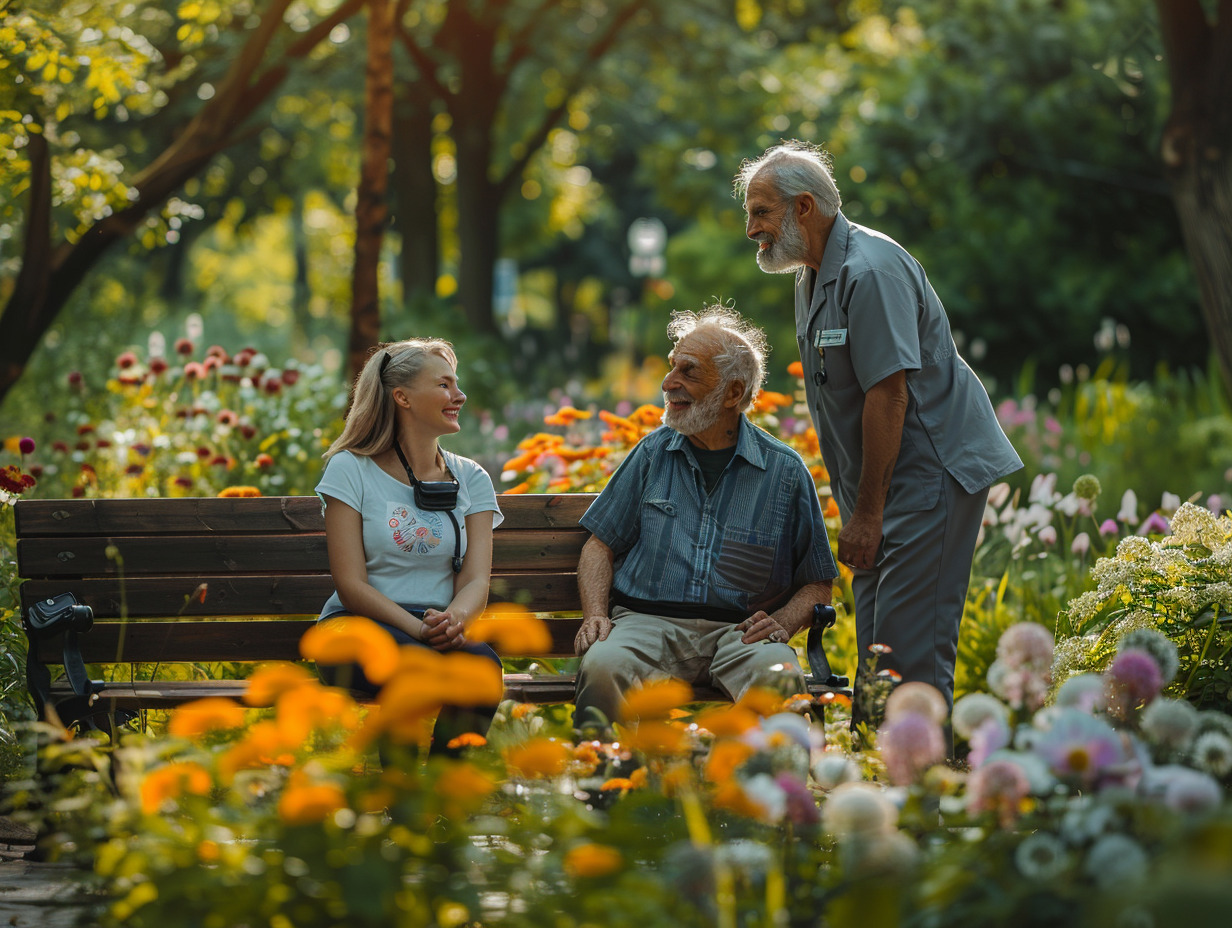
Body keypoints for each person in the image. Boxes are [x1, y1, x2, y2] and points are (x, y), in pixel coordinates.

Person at [735, 140, 1022, 711]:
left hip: (929, 477)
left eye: (761, 211)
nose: (751, 229)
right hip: (878, 488)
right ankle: (882, 786)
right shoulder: (811, 274)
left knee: (905, 659)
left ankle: (918, 796)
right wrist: (859, 507)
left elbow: (888, 396)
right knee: (874, 646)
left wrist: (867, 514)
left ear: (805, 208)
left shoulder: (871, 270)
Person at [572, 305, 838, 733]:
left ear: (733, 393)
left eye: (688, 372)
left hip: (739, 634)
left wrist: (784, 623)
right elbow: (599, 544)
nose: (668, 382)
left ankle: (752, 792)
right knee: (603, 664)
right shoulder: (652, 453)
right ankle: (604, 784)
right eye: (672, 366)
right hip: (645, 624)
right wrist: (595, 615)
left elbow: (817, 581)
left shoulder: (785, 472)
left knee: (779, 678)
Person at [315, 338, 503, 754]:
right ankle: (401, 802)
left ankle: (444, 797)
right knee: (411, 667)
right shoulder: (351, 469)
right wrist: (417, 629)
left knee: (483, 668)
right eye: (444, 385)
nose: (459, 395)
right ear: (402, 397)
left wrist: (453, 621)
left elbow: (475, 579)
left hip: (434, 629)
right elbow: (351, 585)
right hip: (355, 627)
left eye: (457, 384)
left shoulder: (471, 479)